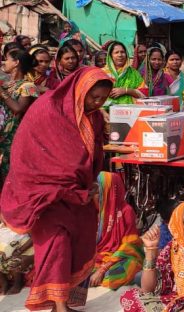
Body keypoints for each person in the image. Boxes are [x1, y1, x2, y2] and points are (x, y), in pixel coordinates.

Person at [0, 67, 112, 311]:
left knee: (77, 245)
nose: (98, 103)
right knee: (56, 246)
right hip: (45, 194)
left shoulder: (92, 115)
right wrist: (71, 187)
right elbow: (33, 154)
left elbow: (93, 152)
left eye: (103, 99)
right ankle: (60, 306)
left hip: (78, 194)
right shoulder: (49, 109)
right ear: (80, 90)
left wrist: (89, 181)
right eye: (94, 97)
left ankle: (61, 304)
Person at [90, 172, 143, 289]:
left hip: (121, 256)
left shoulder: (126, 211)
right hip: (97, 257)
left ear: (111, 193)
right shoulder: (91, 211)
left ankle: (94, 278)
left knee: (127, 269)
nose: (95, 196)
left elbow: (129, 245)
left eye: (100, 192)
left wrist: (103, 269)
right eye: (94, 192)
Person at [0, 49, 39, 182]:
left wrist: (2, 92)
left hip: (14, 137)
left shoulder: (28, 86)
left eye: (7, 59)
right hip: (3, 135)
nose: (4, 62)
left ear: (16, 62)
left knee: (9, 175)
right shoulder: (6, 84)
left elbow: (18, 108)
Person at [103, 41, 146, 109]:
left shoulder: (134, 73)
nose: (120, 55)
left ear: (126, 54)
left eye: (122, 52)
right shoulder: (102, 73)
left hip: (129, 112)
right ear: (110, 56)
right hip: (106, 113)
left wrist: (126, 90)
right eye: (116, 52)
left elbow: (144, 93)